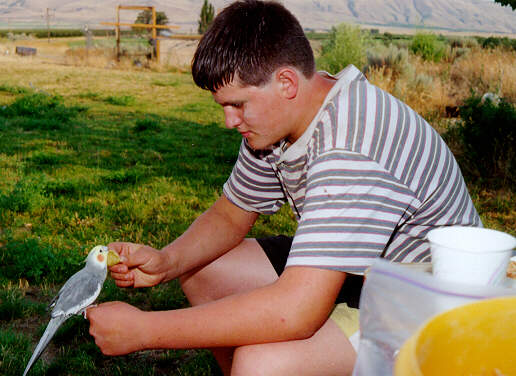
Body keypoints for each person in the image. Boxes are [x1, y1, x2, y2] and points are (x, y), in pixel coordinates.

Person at [87, 1, 481, 375]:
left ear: (287, 83)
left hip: (431, 297)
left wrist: (145, 332)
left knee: (263, 363)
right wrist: (168, 262)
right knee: (203, 269)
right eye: (223, 106)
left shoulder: (351, 146)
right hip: (362, 268)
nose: (229, 121)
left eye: (238, 105)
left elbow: (296, 311)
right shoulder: (282, 122)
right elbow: (230, 213)